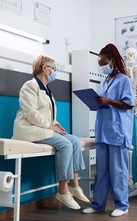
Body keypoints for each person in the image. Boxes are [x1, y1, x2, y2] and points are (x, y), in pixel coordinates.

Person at [12, 55, 90, 210]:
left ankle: (74, 184)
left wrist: (57, 126)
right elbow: (30, 113)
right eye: (53, 68)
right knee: (65, 144)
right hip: (28, 129)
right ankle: (62, 190)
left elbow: (49, 115)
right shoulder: (30, 86)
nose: (54, 71)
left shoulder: (47, 89)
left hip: (43, 127)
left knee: (74, 140)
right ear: (44, 68)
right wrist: (50, 126)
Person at [83, 43, 135, 217]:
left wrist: (109, 101)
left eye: (103, 63)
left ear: (112, 61)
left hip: (118, 131)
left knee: (118, 170)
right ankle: (98, 204)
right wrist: (95, 103)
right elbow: (103, 101)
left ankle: (122, 205)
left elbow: (128, 104)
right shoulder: (104, 81)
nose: (102, 67)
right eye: (99, 64)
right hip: (103, 131)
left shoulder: (124, 80)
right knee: (102, 170)